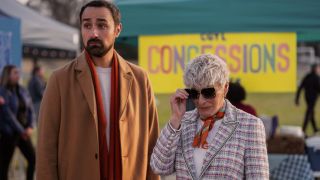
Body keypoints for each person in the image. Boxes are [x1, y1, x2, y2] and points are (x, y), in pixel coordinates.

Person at [36, 1, 160, 180]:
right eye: (87, 25)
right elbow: (46, 149)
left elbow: (152, 146)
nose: (93, 32)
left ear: (117, 30)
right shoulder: (59, 80)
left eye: (102, 25)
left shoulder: (140, 79)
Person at [150, 54, 269, 179]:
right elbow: (159, 167)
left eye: (208, 93)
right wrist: (175, 118)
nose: (201, 101)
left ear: (225, 88)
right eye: (194, 93)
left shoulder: (250, 126)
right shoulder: (182, 122)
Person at [0, 65, 35, 180]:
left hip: (24, 132)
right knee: (4, 165)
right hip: (10, 133)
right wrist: (21, 130)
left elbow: (30, 109)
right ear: (8, 75)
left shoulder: (22, 90)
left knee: (33, 158)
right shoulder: (3, 91)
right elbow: (7, 114)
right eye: (15, 73)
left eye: (18, 72)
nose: (18, 75)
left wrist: (30, 126)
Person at [295, 63, 320, 134]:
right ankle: (303, 129)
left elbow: (300, 88)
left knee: (311, 112)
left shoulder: (307, 77)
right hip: (313, 99)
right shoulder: (316, 77)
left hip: (307, 98)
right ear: (315, 69)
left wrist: (297, 99)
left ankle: (315, 129)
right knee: (309, 112)